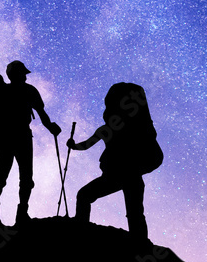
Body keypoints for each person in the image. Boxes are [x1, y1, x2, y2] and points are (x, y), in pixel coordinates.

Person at [66, 82, 163, 243]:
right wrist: (74, 146)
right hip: (128, 175)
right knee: (135, 211)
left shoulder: (121, 129)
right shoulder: (124, 128)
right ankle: (140, 245)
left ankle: (80, 232)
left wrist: (74, 146)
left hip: (121, 175)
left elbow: (85, 145)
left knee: (86, 196)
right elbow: (85, 145)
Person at [0, 61, 61, 224]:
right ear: (15, 74)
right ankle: (10, 215)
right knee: (8, 177)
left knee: (15, 177)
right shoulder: (23, 91)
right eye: (22, 73)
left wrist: (50, 126)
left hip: (10, 138)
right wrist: (51, 127)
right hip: (15, 138)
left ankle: (7, 215)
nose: (25, 77)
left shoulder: (8, 91)